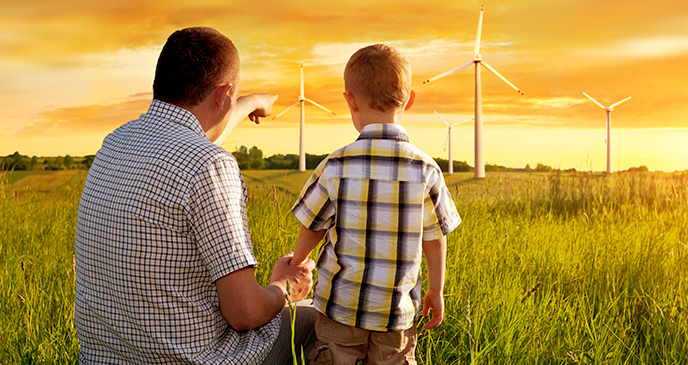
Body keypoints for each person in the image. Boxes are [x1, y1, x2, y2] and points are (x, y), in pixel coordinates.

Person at [74, 26, 318, 364]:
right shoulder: (209, 164)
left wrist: (249, 102)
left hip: (106, 358)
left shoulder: (115, 143)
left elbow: (192, 137)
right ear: (222, 95)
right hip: (197, 359)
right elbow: (244, 313)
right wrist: (284, 286)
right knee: (323, 321)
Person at [288, 44, 462, 364]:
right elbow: (435, 238)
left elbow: (312, 225)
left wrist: (298, 260)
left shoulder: (335, 164)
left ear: (350, 100)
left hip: (340, 309)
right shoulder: (426, 169)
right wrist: (435, 290)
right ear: (409, 100)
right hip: (396, 316)